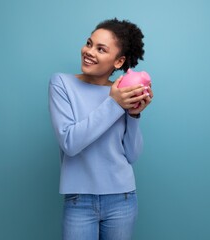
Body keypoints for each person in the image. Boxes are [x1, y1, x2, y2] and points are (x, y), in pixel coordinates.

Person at [48, 18, 153, 240]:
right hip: (79, 201)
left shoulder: (122, 93)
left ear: (118, 61)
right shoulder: (61, 84)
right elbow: (70, 143)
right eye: (89, 43)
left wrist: (134, 115)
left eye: (100, 49)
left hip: (122, 199)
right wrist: (114, 104)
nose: (89, 51)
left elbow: (132, 155)